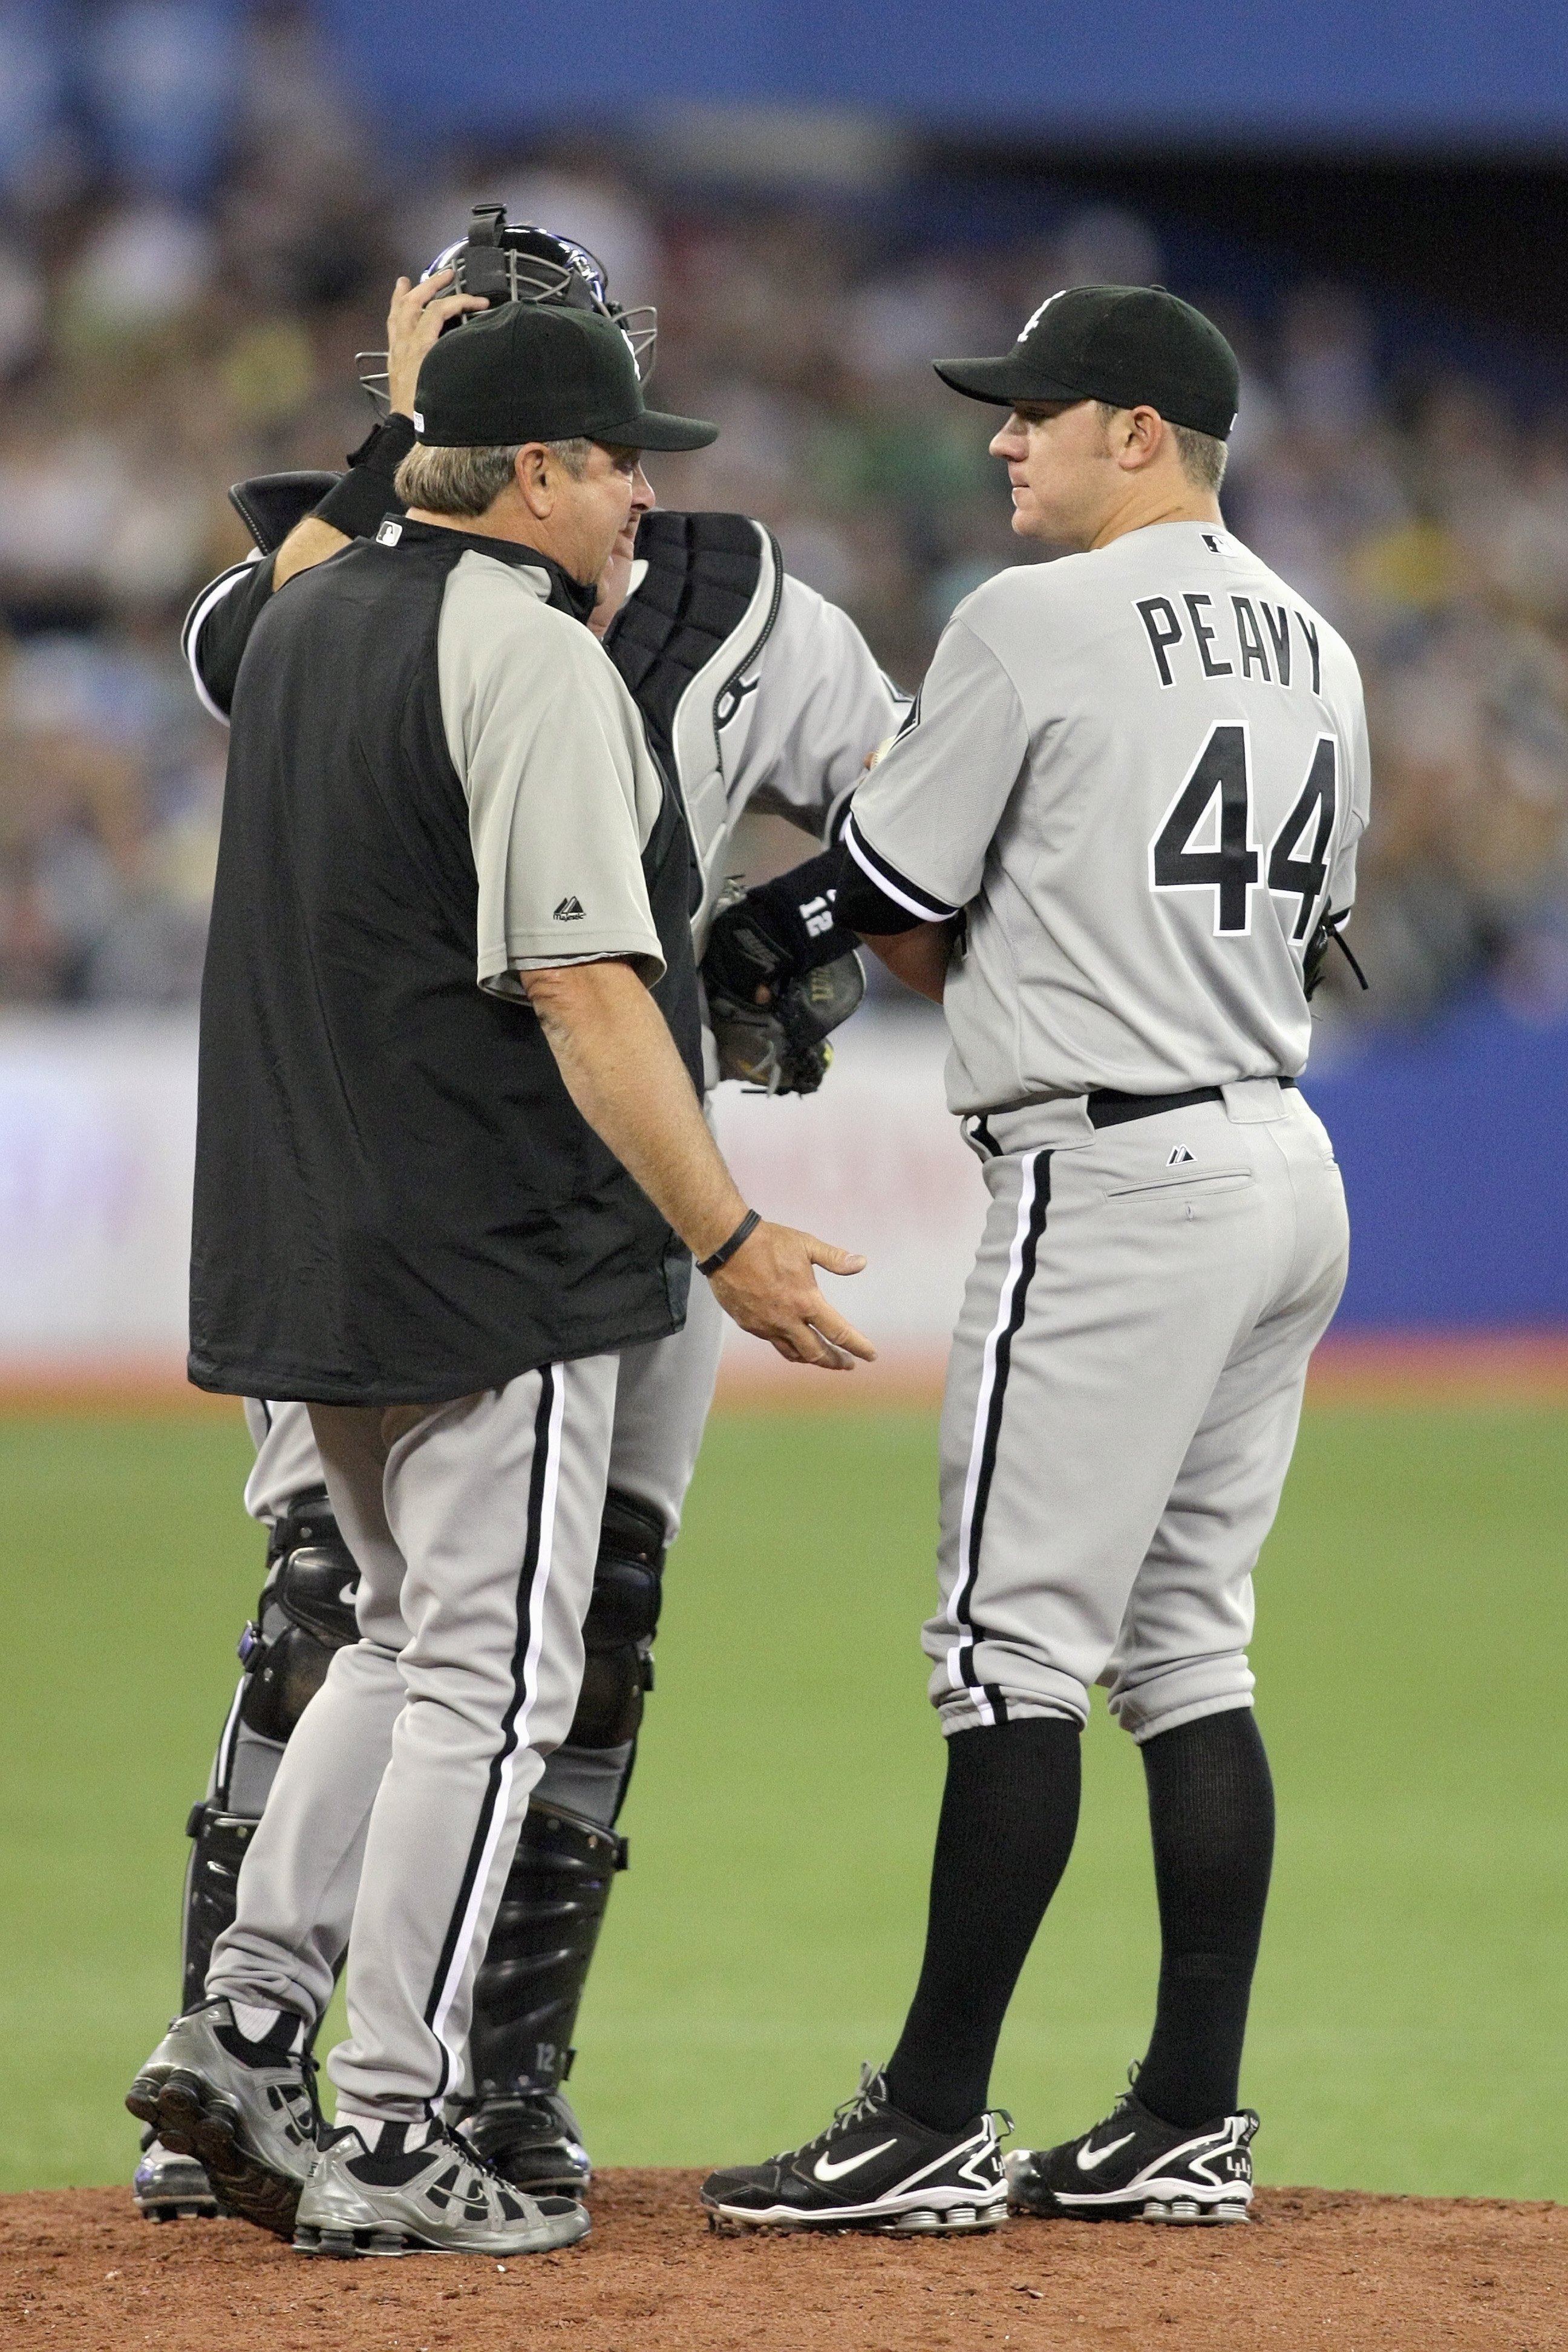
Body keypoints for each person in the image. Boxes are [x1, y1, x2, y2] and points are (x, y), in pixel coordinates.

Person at [132, 218, 898, 2227]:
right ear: (537, 462)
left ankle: (241, 2027)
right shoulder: (521, 646)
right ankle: (396, 2124)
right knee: (483, 1666)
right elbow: (579, 989)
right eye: (609, 438)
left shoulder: (323, 618)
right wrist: (731, 1240)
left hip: (306, 1223)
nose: (646, 477)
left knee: (397, 1639)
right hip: (513, 1237)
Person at [702, 284, 1365, 2236]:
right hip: (1278, 1159)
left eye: (1037, 411)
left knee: (1008, 1654)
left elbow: (891, 888)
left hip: (1114, 1175)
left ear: (1139, 433)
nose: (1002, 437)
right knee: (1189, 1648)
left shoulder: (1035, 619)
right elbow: (1281, 914)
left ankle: (928, 2116)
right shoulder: (1323, 644)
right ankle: (1188, 2113)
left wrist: (747, 935)